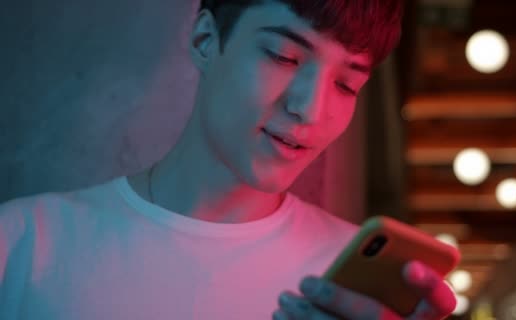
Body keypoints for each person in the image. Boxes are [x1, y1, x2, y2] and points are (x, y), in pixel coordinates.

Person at [0, 0, 456, 319]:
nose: (310, 110)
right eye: (284, 56)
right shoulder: (24, 242)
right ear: (204, 39)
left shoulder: (350, 280)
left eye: (346, 85)